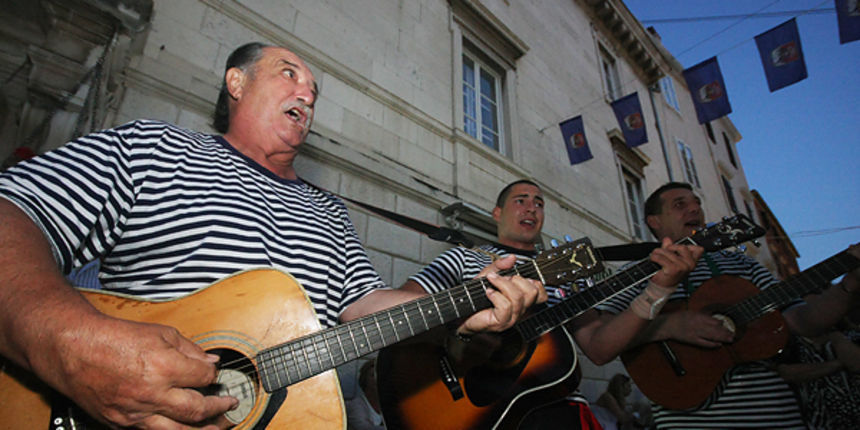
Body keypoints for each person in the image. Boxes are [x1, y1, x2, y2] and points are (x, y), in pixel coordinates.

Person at [0, 42, 547, 429]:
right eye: (289, 74)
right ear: (236, 83)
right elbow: (15, 208)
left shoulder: (330, 212)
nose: (306, 94)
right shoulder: (155, 147)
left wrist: (465, 308)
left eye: (314, 91)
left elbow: (367, 306)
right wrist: (66, 344)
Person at [400, 179, 703, 429]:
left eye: (539, 203)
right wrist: (464, 336)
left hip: (558, 409)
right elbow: (402, 316)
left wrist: (659, 289)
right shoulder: (463, 258)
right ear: (497, 213)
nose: (532, 207)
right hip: (477, 411)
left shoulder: (569, 269)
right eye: (521, 200)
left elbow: (599, 347)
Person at [597, 182, 860, 429]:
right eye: (680, 205)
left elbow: (803, 320)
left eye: (697, 203)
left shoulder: (743, 264)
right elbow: (602, 338)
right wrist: (669, 326)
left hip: (777, 416)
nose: (695, 209)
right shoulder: (636, 274)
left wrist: (849, 283)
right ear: (654, 222)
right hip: (689, 420)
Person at [775, 313, 860, 429]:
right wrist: (837, 364)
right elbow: (787, 373)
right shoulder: (790, 342)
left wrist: (837, 337)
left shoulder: (849, 335)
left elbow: (856, 363)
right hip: (817, 421)